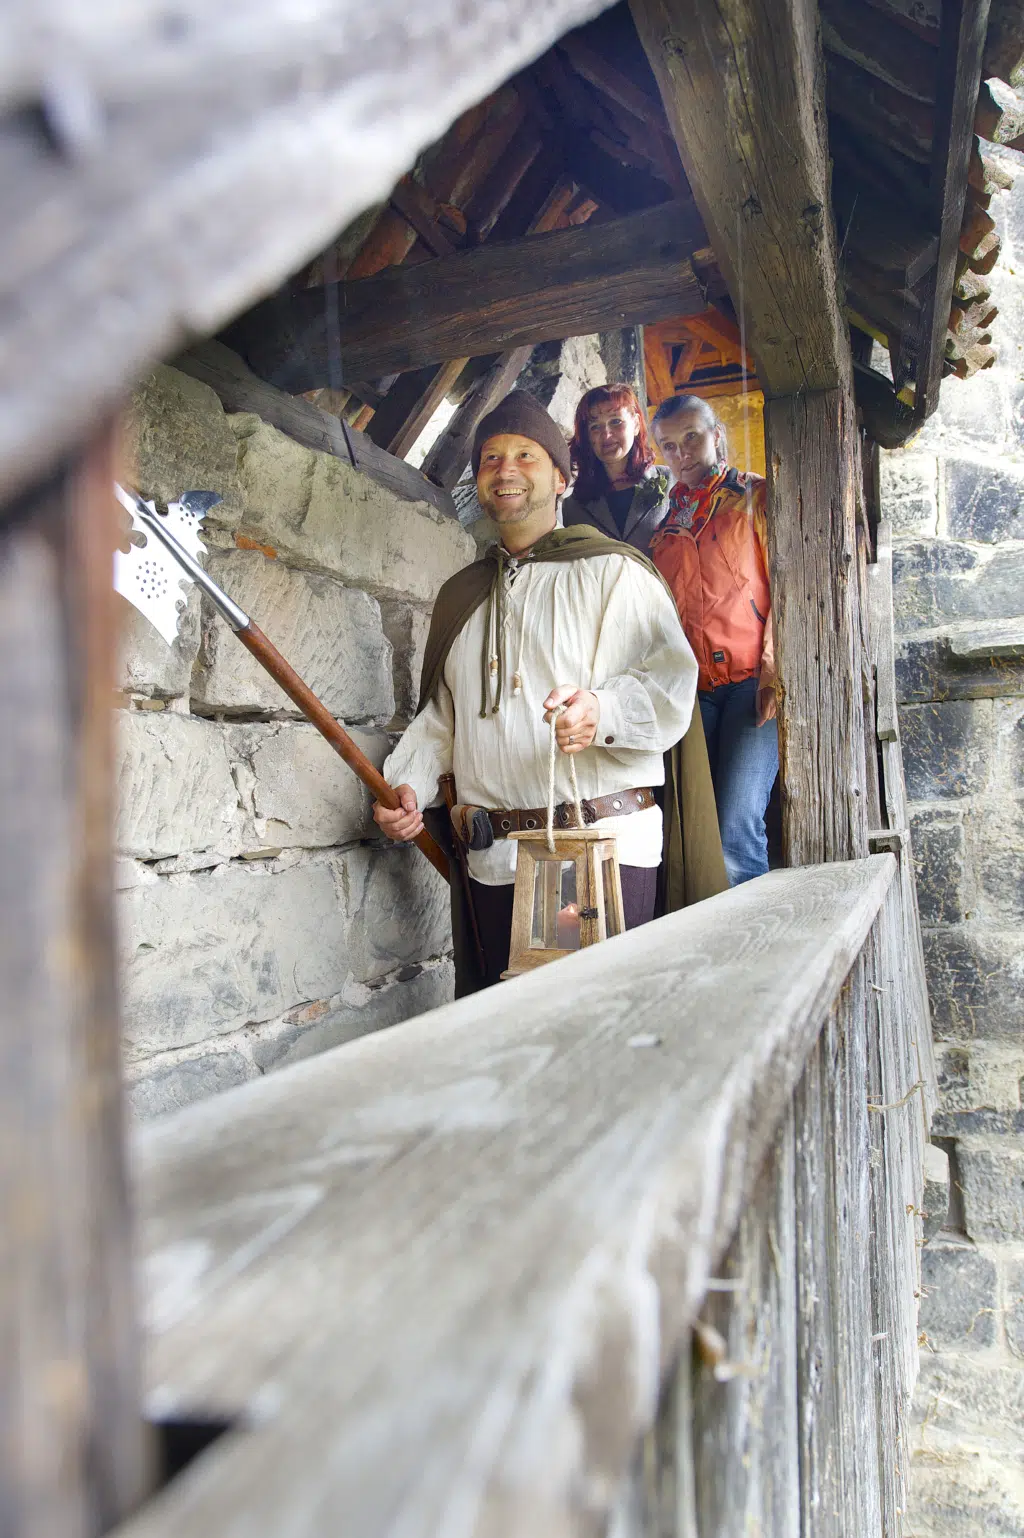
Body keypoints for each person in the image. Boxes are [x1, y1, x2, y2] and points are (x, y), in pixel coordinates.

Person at [373, 390, 727, 995]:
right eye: (489, 458)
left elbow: (671, 683)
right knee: (509, 1049)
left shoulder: (615, 572)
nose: (504, 470)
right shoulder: (462, 596)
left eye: (525, 455)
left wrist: (603, 711)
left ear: (562, 478)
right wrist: (407, 784)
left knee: (581, 1051)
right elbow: (442, 721)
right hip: (493, 862)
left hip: (589, 853)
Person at [649, 394, 778, 887]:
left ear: (716, 434)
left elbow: (789, 589)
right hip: (693, 696)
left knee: (735, 824)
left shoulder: (757, 498)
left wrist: (775, 673)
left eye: (691, 438)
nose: (682, 453)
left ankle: (757, 953)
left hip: (753, 686)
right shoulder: (665, 530)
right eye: (669, 445)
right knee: (696, 833)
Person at [562, 384, 671, 556]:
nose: (606, 435)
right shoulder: (572, 507)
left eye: (615, 421)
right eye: (595, 427)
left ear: (635, 424)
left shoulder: (671, 481)